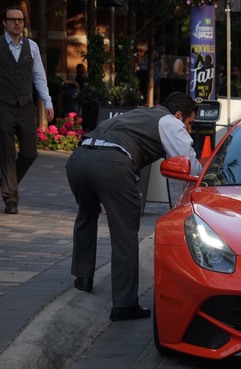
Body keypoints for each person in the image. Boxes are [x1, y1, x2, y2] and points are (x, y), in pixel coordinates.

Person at [66, 92, 203, 321]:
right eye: (189, 123)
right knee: (125, 232)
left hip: (79, 158)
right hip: (111, 165)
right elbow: (189, 164)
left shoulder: (139, 113)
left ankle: (83, 278)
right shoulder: (170, 121)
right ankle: (124, 304)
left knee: (86, 215)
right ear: (179, 115)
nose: (189, 130)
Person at [0, 5, 54, 215]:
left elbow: (39, 76)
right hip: (3, 106)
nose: (16, 23)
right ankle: (10, 199)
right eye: (12, 19)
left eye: (20, 20)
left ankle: (6, 182)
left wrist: (47, 102)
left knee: (30, 153)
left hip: (25, 106)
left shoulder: (31, 47)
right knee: (6, 153)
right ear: (5, 22)